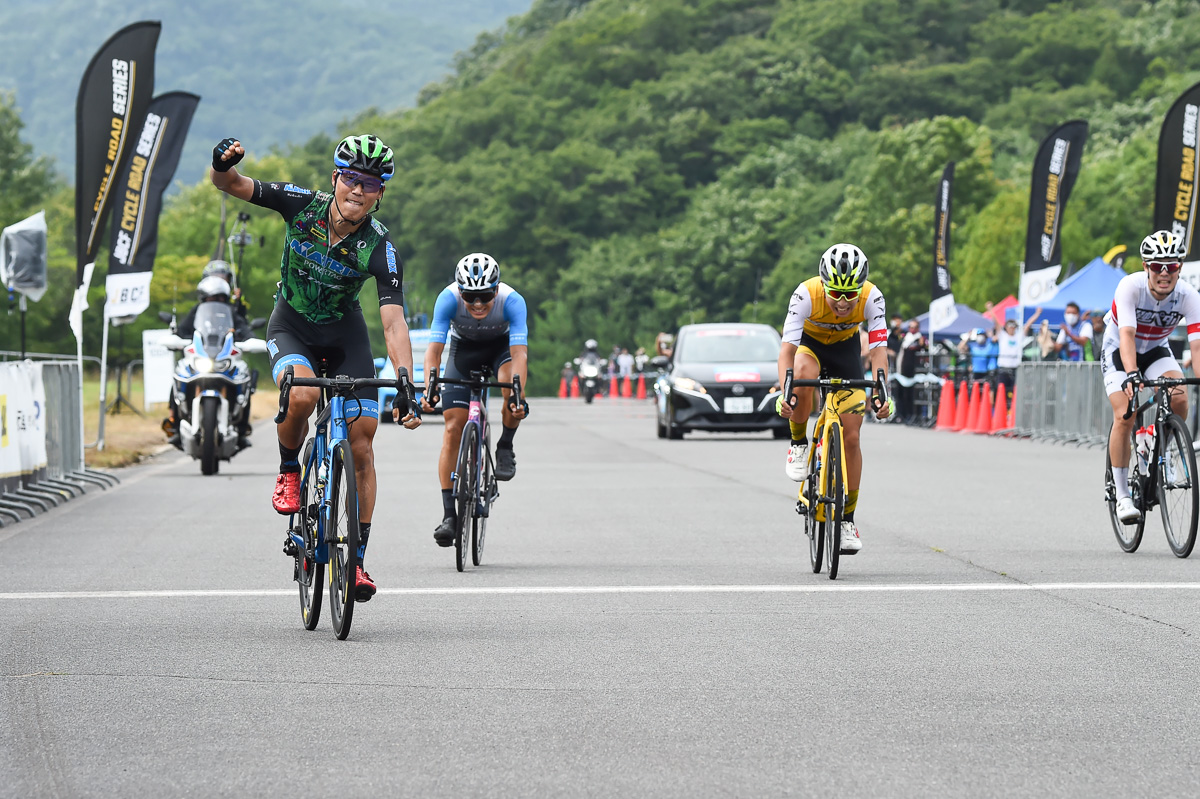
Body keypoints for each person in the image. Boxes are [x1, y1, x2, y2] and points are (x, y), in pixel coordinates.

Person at [210, 134, 421, 602]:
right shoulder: (301, 205)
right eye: (351, 178)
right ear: (335, 179)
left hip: (345, 334)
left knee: (363, 438)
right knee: (302, 394)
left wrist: (405, 382)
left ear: (380, 193)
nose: (358, 190)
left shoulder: (380, 250)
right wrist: (220, 164)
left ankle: (358, 561)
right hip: (292, 325)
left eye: (370, 183)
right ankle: (289, 468)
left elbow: (393, 325)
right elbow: (231, 185)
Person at [776, 243, 892, 553]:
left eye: (850, 294)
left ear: (860, 289)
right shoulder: (805, 294)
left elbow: (879, 351)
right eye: (835, 293)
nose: (842, 302)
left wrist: (882, 393)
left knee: (852, 437)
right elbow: (787, 350)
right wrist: (784, 392)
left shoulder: (873, 297)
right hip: (810, 347)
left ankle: (846, 520)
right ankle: (799, 444)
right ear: (823, 284)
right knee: (802, 372)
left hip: (845, 353)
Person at [422, 253, 529, 547]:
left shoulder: (512, 301)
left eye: (484, 296)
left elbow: (520, 354)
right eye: (470, 297)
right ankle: (449, 516)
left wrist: (517, 393)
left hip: (501, 350)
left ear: (496, 290)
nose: (478, 304)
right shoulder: (447, 299)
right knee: (452, 428)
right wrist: (429, 387)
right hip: (464, 351)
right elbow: (434, 351)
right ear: (459, 291)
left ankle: (505, 444)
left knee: (511, 392)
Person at [1104, 231, 1200, 523]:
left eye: (1171, 266)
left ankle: (1162, 448)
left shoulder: (1189, 295)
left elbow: (1196, 346)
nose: (1164, 272)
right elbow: (1127, 336)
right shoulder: (1130, 287)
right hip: (1121, 351)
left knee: (1180, 396)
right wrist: (1132, 374)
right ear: (1146, 266)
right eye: (1157, 266)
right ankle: (1121, 495)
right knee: (1125, 415)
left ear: (1179, 268)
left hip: (1157, 349)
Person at [162, 275, 257, 446]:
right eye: (213, 297)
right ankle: (175, 423)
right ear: (204, 298)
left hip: (224, 358)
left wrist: (249, 339)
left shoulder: (232, 313)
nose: (217, 300)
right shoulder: (197, 312)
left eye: (220, 297)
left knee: (245, 378)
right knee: (180, 373)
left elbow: (244, 329)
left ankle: (242, 427)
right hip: (201, 357)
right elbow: (182, 330)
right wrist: (176, 339)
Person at [994, 308, 1041, 399]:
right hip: (1003, 368)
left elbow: (1028, 324)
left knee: (1015, 391)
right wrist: (991, 309)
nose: (1011, 328)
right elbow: (996, 322)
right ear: (1006, 327)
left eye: (1013, 326)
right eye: (1009, 326)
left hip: (1016, 368)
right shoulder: (1003, 336)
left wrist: (1037, 314)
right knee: (1001, 391)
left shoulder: (1019, 336)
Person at [895, 319, 924, 423]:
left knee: (910, 395)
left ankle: (910, 415)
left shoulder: (919, 338)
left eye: (914, 327)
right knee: (900, 394)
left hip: (912, 372)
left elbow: (920, 346)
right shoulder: (905, 338)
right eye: (910, 327)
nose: (912, 329)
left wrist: (921, 342)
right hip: (901, 370)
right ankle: (900, 415)